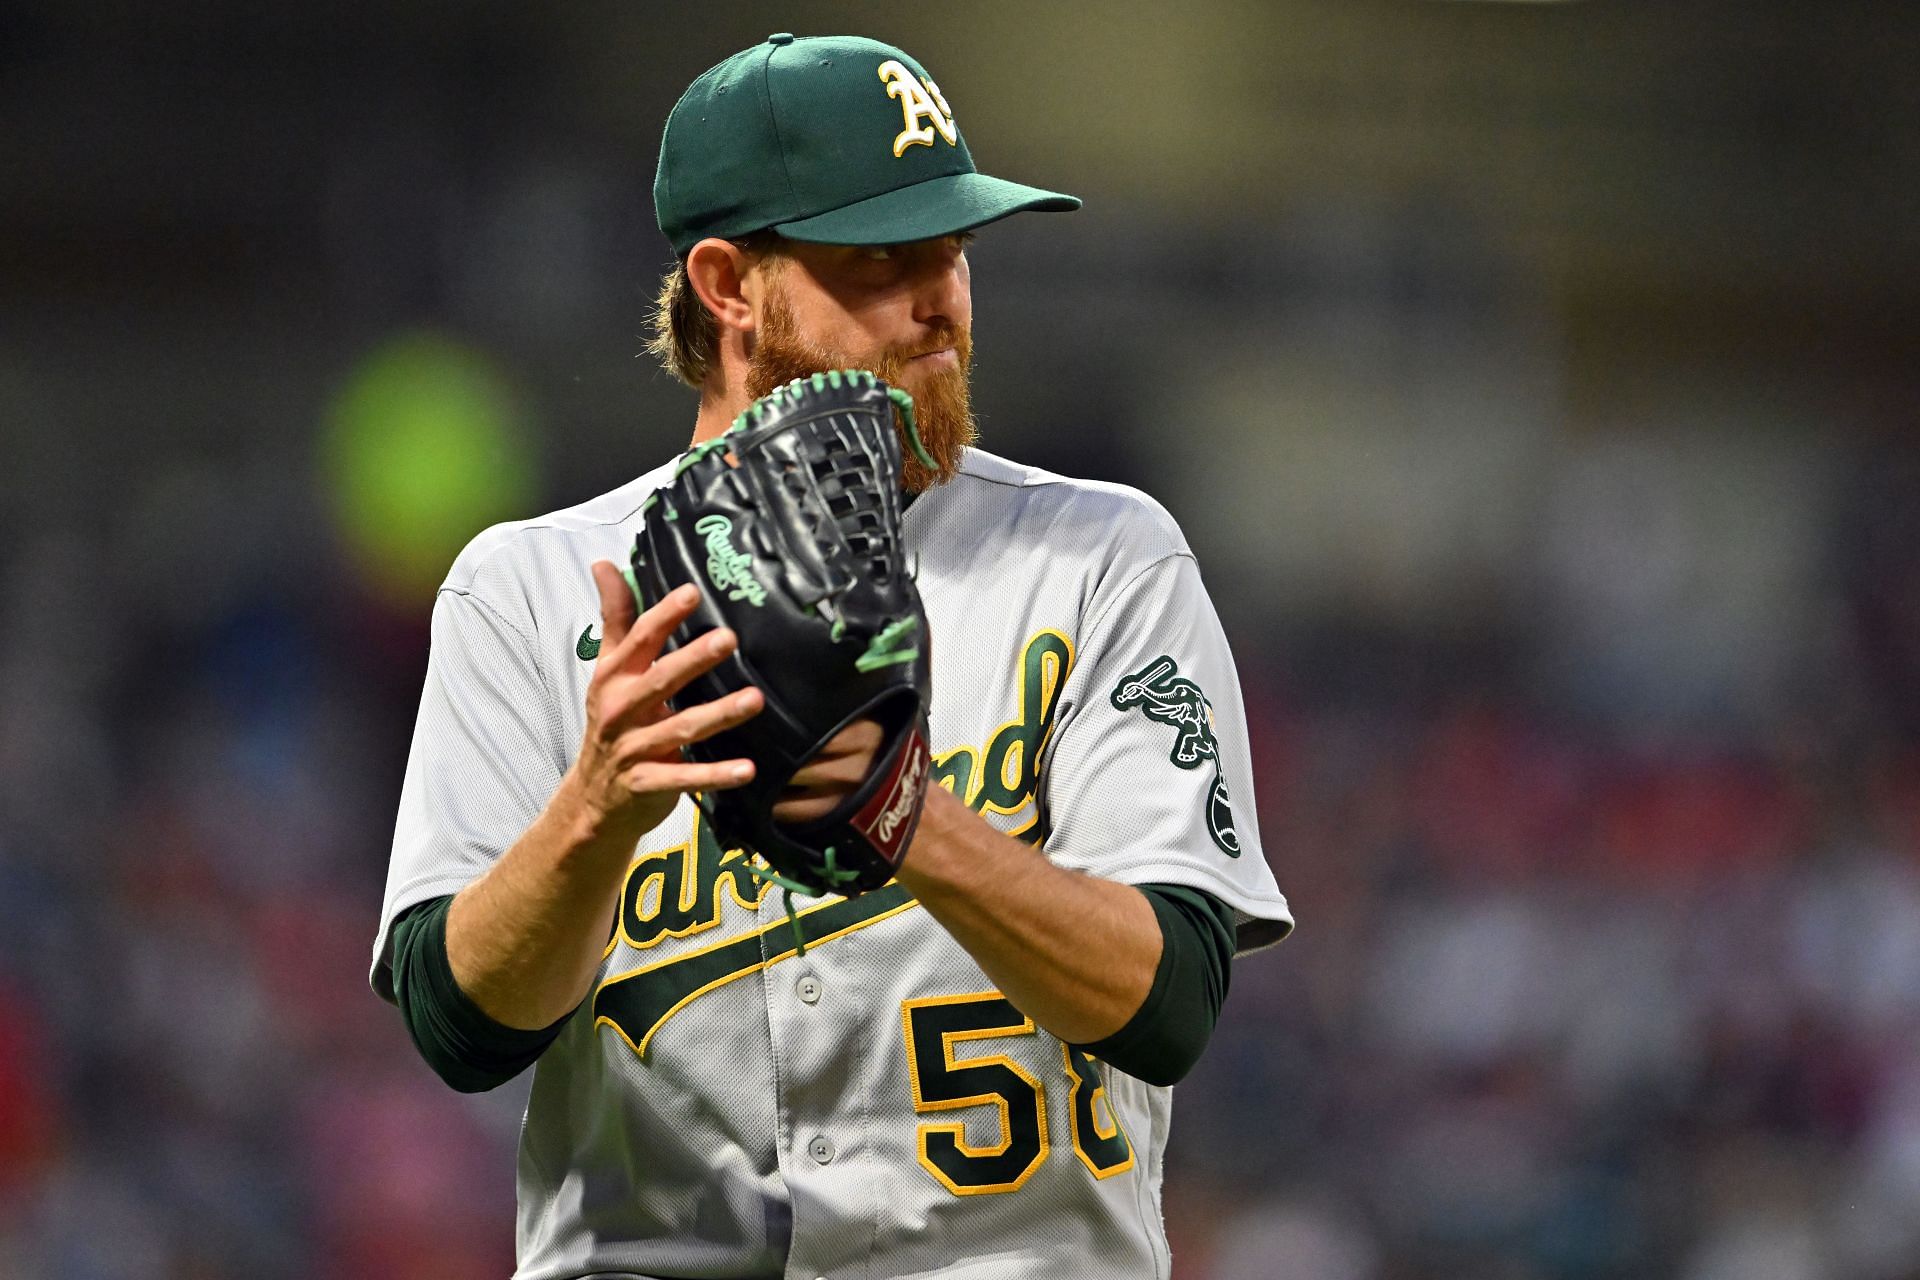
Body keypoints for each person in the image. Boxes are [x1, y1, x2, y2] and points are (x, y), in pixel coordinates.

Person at [370, 33, 1292, 1280]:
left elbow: (1170, 998)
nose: (941, 297)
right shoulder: (529, 591)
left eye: (953, 249)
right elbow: (457, 1024)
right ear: (726, 283)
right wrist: (595, 809)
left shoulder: (1097, 558)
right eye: (880, 257)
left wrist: (905, 814)